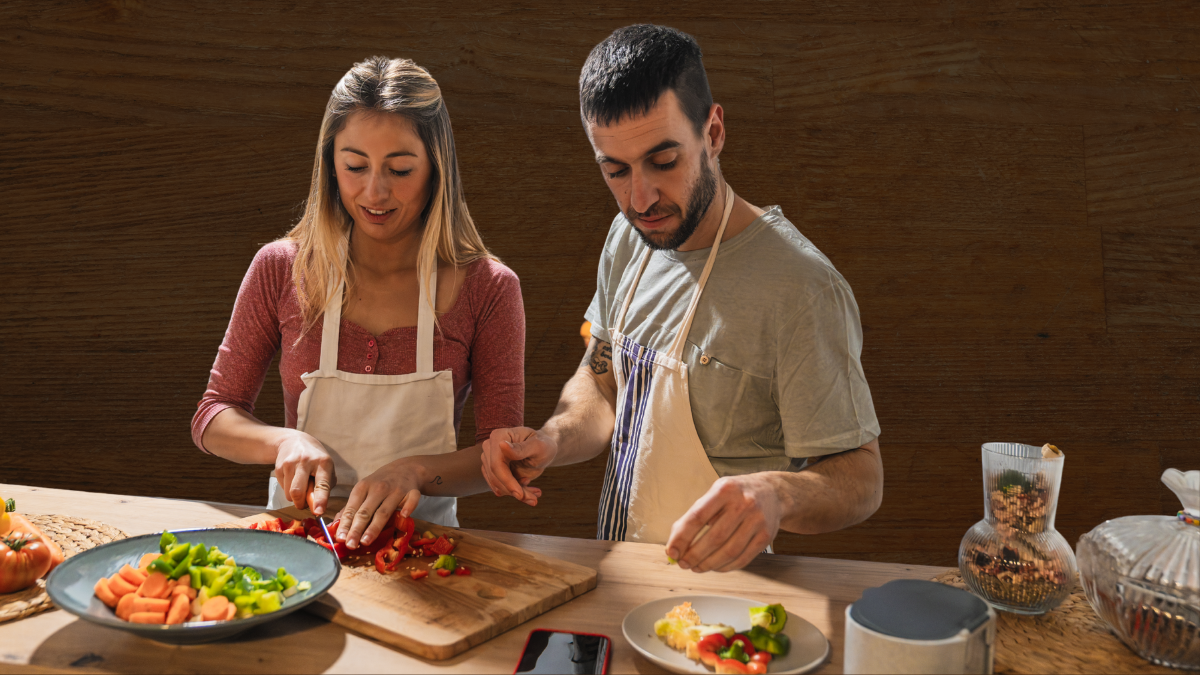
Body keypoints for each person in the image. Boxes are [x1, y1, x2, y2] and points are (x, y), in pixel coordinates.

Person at [481, 25, 882, 573]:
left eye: (663, 161)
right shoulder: (629, 238)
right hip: (617, 573)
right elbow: (601, 381)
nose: (640, 198)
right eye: (615, 170)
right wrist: (552, 439)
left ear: (713, 133)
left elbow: (862, 478)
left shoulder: (802, 288)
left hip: (727, 599)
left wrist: (777, 493)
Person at [192, 56, 526, 551]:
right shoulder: (280, 268)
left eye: (400, 169)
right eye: (354, 166)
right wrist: (284, 442)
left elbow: (504, 454)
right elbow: (213, 416)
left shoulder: (487, 287)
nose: (375, 191)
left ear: (437, 167)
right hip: (295, 545)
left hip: (419, 549)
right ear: (330, 164)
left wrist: (415, 472)